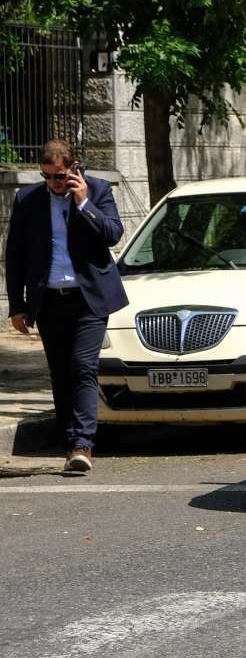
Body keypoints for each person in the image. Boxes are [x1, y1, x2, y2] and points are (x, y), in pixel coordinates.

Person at [5, 139, 128, 473]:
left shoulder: (98, 190)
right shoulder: (27, 199)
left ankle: (82, 444)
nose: (53, 183)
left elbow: (113, 234)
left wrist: (83, 202)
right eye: (46, 177)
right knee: (60, 373)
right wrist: (17, 305)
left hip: (88, 299)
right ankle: (69, 439)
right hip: (48, 300)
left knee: (82, 366)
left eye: (58, 176)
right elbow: (15, 255)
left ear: (73, 169)